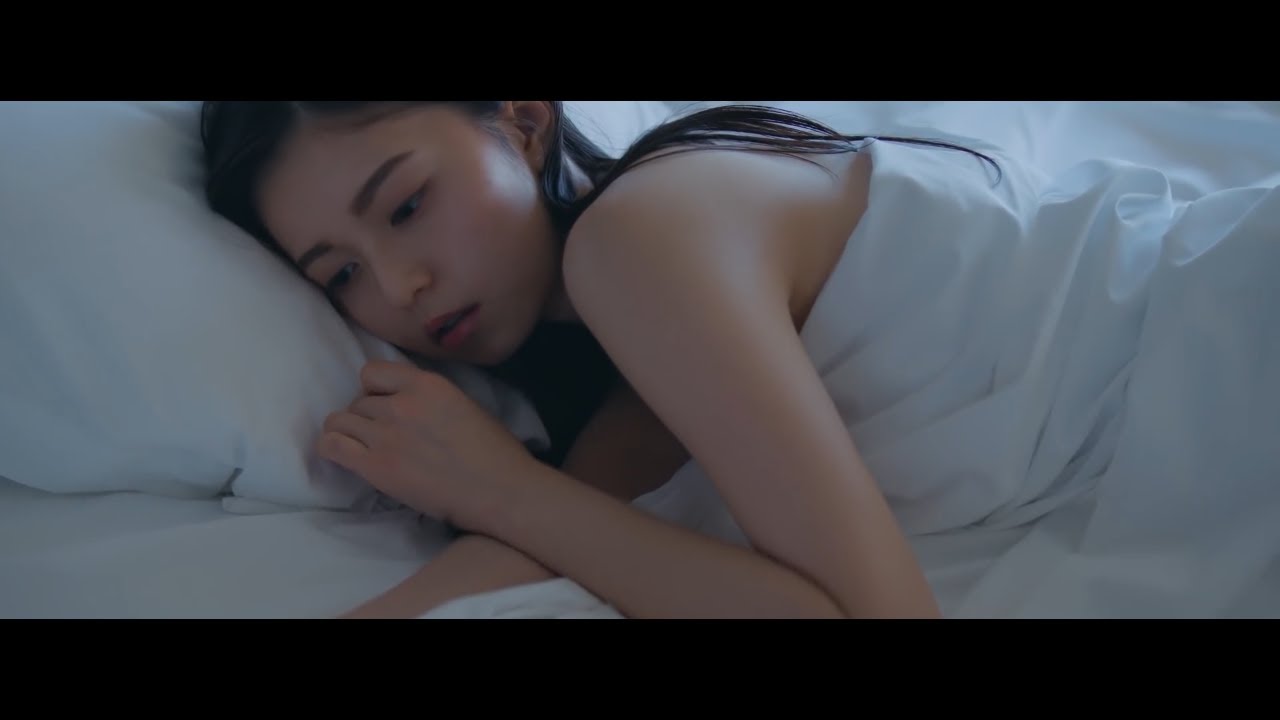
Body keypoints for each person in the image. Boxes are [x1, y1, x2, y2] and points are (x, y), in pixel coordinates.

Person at [201, 101, 1280, 619]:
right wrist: (502, 494)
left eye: (404, 205)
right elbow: (528, 549)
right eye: (340, 274)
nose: (399, 288)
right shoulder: (631, 377)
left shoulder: (642, 240)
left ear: (522, 119)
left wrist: (501, 489)